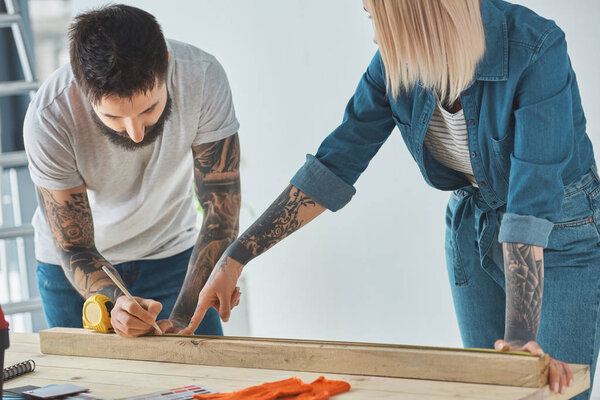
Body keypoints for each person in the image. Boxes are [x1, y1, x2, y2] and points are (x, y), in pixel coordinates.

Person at [184, 0, 599, 398]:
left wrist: (520, 339)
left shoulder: (535, 48)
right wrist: (235, 258)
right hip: (473, 223)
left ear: (417, 15)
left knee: (543, 389)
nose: (378, 39)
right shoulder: (393, 67)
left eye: (376, 18)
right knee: (489, 390)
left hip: (561, 232)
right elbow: (333, 165)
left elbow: (531, 200)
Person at [23, 4, 242, 338]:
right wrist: (116, 302)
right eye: (113, 118)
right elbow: (75, 247)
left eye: (149, 108)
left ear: (166, 65)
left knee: (204, 386)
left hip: (172, 257)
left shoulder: (203, 77)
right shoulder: (49, 117)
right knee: (92, 388)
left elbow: (220, 210)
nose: (137, 132)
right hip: (74, 271)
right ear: (83, 89)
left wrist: (184, 312)